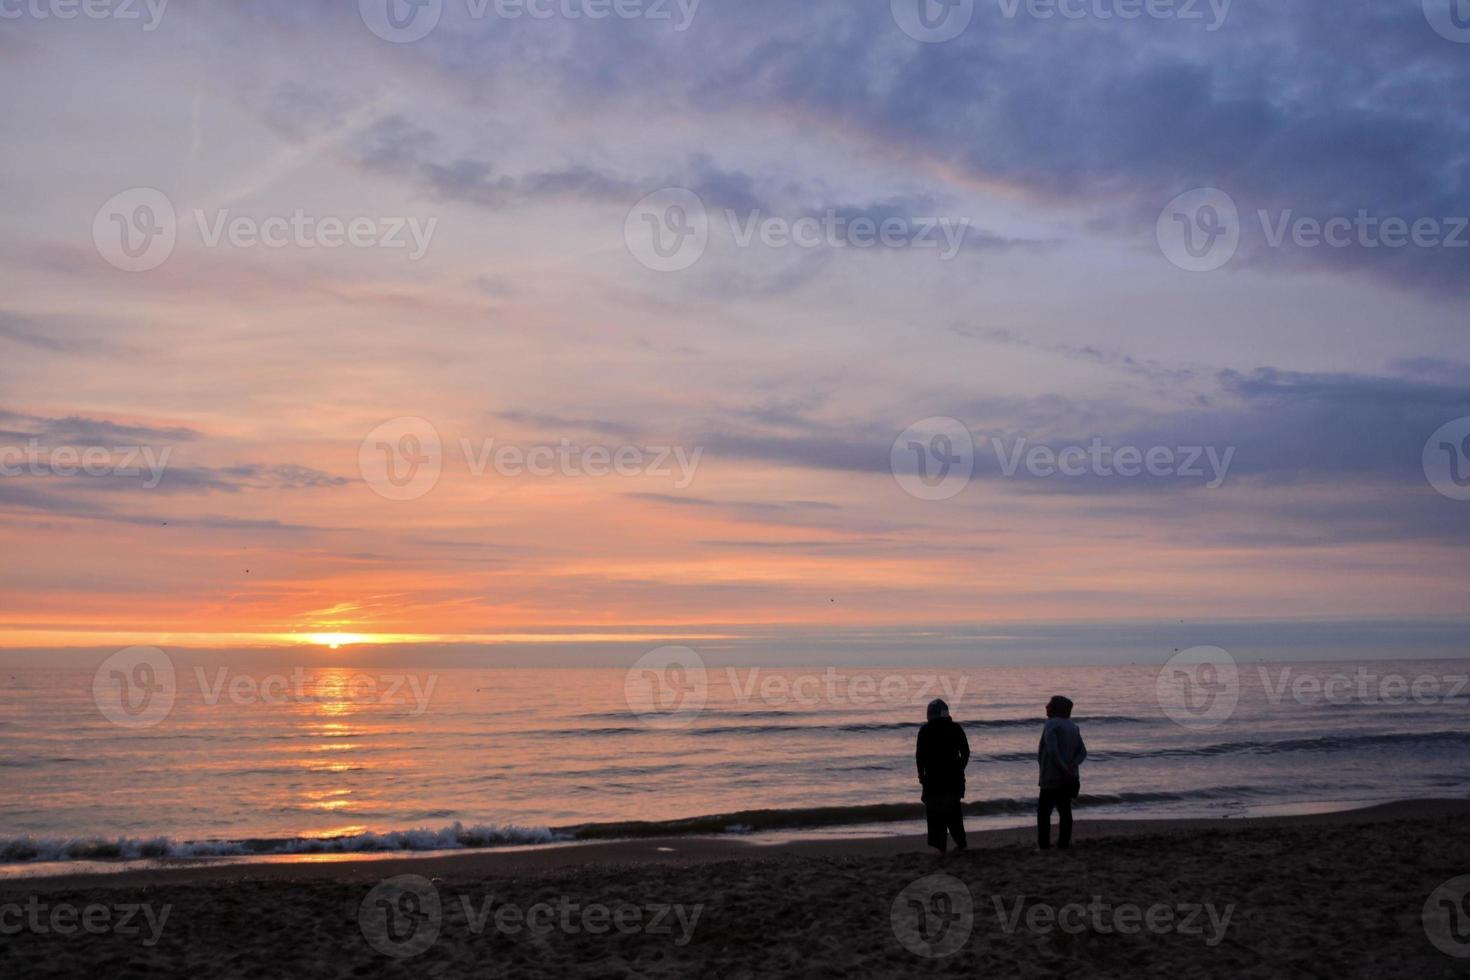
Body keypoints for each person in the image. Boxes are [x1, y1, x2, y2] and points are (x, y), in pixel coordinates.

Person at [915, 698, 970, 854]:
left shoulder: (925, 731)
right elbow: (965, 752)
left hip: (933, 779)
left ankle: (942, 847)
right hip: (952, 778)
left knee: (935, 815)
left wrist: (920, 774)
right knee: (953, 813)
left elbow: (919, 756)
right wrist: (960, 768)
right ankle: (960, 842)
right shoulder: (955, 729)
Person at [1037, 695, 1087, 850]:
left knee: (1044, 813)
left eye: (1049, 704)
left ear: (1056, 709)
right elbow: (1083, 753)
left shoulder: (1051, 725)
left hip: (1052, 777)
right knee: (1065, 810)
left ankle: (1044, 845)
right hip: (1069, 778)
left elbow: (1053, 751)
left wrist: (1063, 769)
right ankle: (1063, 843)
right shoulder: (1073, 726)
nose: (1046, 706)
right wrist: (1072, 766)